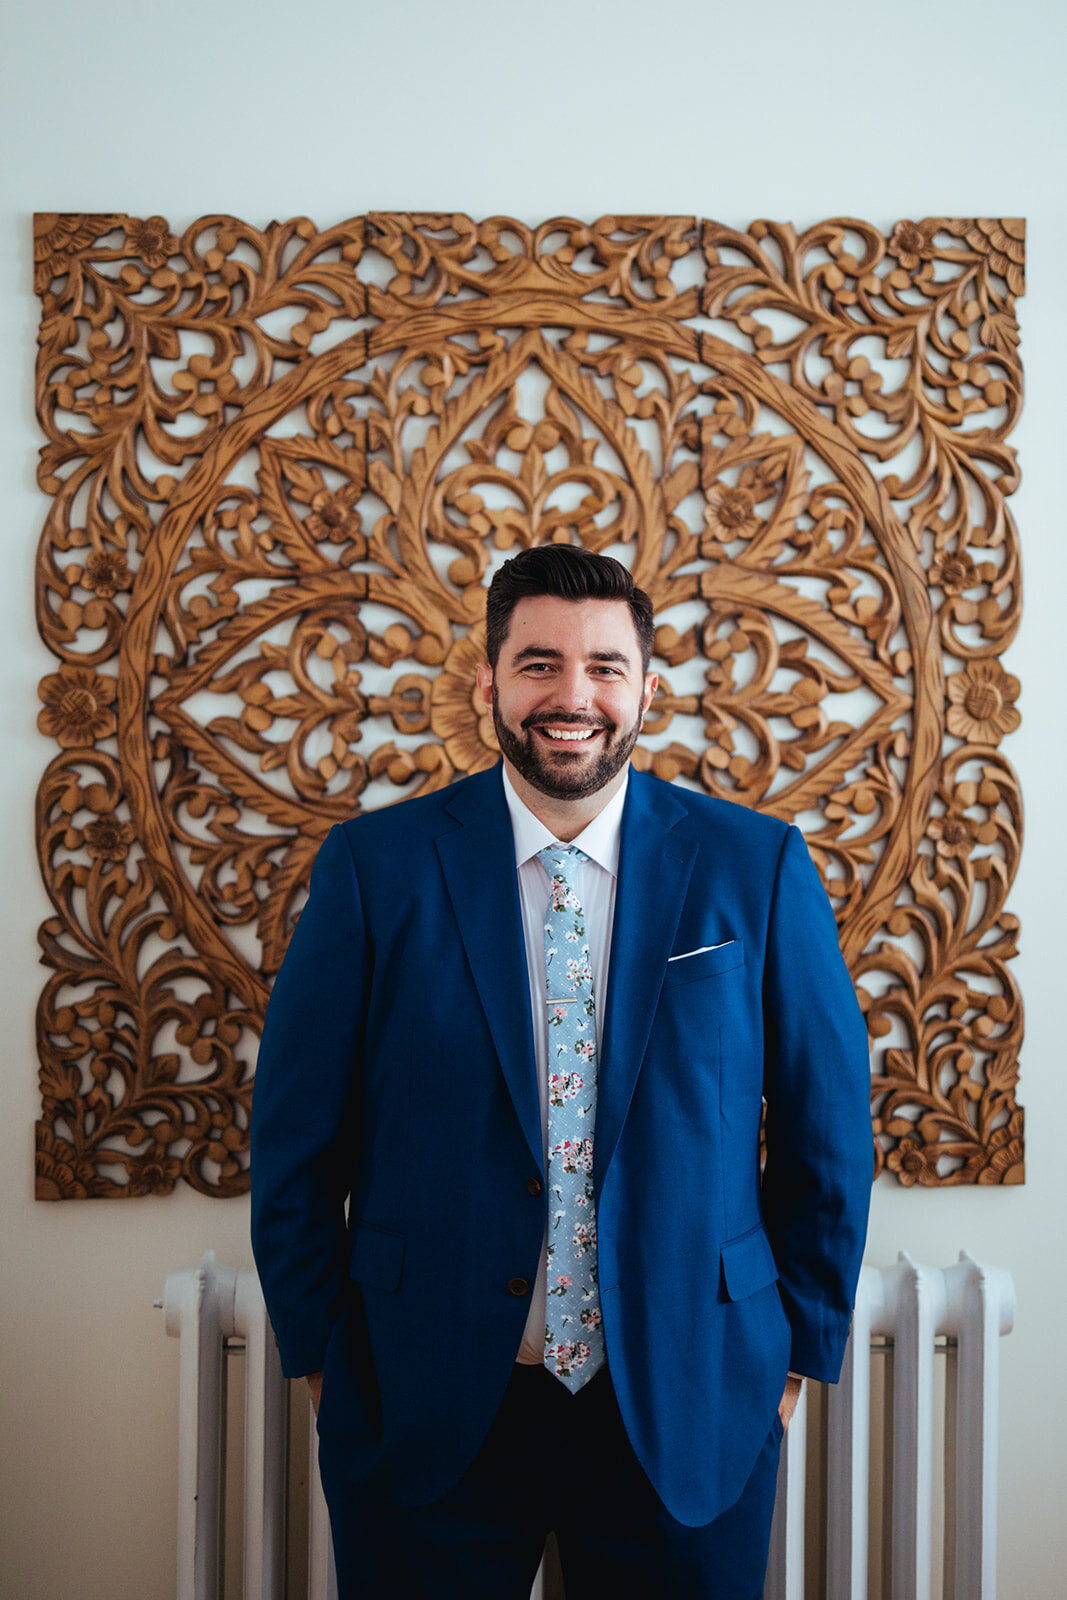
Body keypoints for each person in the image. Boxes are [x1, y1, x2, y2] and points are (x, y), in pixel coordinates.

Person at [250, 543, 872, 1599]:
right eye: (537, 664)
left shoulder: (754, 865)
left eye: (602, 666)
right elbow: (295, 1135)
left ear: (645, 689)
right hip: (425, 1397)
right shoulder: (376, 868)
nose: (571, 695)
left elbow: (826, 1125)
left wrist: (797, 1350)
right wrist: (319, 1357)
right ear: (486, 684)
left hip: (687, 1393)